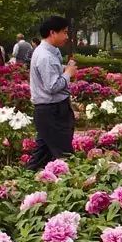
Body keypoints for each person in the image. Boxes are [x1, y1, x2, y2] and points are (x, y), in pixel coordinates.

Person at [28, 16, 79, 171]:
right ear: (52, 33)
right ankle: (70, 188)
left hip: (53, 109)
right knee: (64, 155)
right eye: (64, 32)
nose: (66, 36)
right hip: (52, 111)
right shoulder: (45, 56)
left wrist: (65, 69)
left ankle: (20, 184)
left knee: (41, 156)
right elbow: (52, 86)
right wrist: (68, 73)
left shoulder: (52, 51)